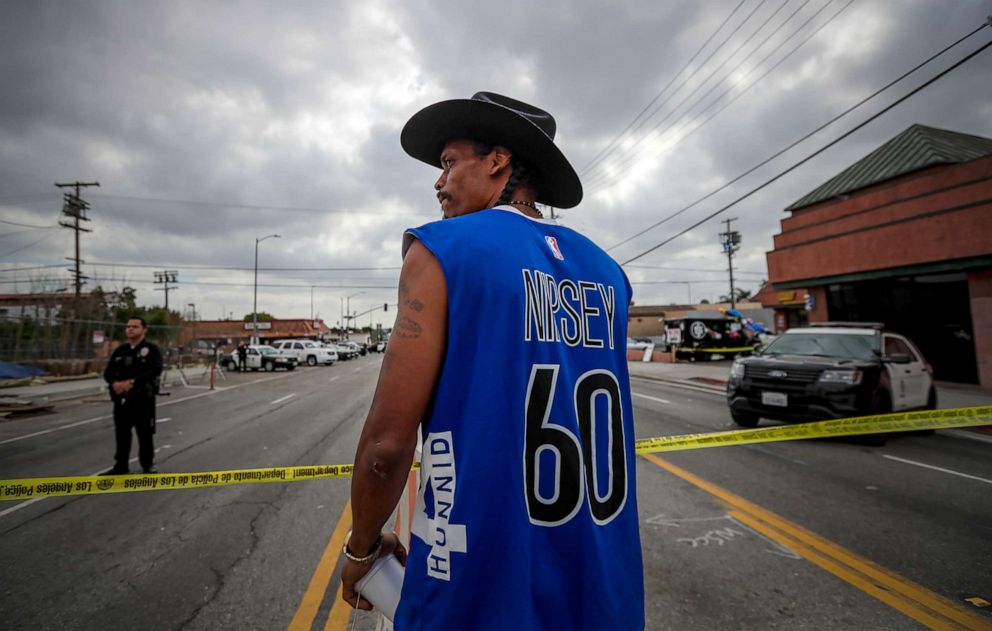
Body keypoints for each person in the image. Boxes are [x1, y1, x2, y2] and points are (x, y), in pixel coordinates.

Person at [341, 92, 644, 630]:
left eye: (450, 162)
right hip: (602, 582)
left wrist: (363, 550)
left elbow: (387, 446)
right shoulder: (610, 272)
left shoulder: (442, 249)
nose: (439, 181)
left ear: (498, 161)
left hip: (479, 579)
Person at [102, 316, 163, 475]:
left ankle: (147, 465)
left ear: (144, 330)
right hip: (122, 400)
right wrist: (115, 383)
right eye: (128, 326)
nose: (130, 329)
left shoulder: (151, 349)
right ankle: (121, 465)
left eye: (135, 326)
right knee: (122, 434)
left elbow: (156, 370)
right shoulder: (120, 350)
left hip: (142, 399)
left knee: (144, 434)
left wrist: (133, 382)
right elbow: (108, 372)